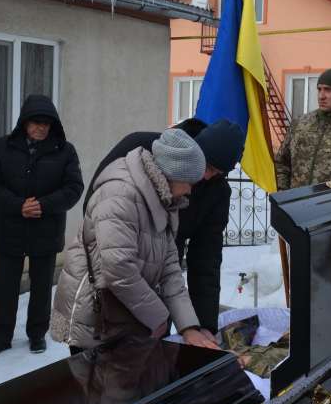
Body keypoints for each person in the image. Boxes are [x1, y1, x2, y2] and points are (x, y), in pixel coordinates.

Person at [51, 129, 220, 352]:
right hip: (92, 314)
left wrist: (188, 327)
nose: (190, 190)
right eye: (189, 182)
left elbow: (170, 269)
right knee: (93, 374)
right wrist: (158, 316)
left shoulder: (165, 199)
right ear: (172, 173)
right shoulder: (119, 194)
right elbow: (118, 268)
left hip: (124, 311)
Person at [82, 118, 245, 332]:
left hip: (163, 275)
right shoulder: (142, 148)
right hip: (108, 270)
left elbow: (205, 261)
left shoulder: (216, 193)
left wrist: (202, 327)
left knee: (157, 338)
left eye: (217, 172)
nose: (205, 177)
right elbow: (98, 208)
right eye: (206, 165)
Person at [0, 94, 84, 359]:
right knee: (6, 287)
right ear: (24, 122)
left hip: (46, 231)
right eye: (36, 122)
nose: (41, 128)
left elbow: (74, 188)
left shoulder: (65, 151)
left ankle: (37, 334)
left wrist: (43, 205)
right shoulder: (1, 148)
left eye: (46, 123)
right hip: (10, 230)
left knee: (41, 287)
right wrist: (18, 205)